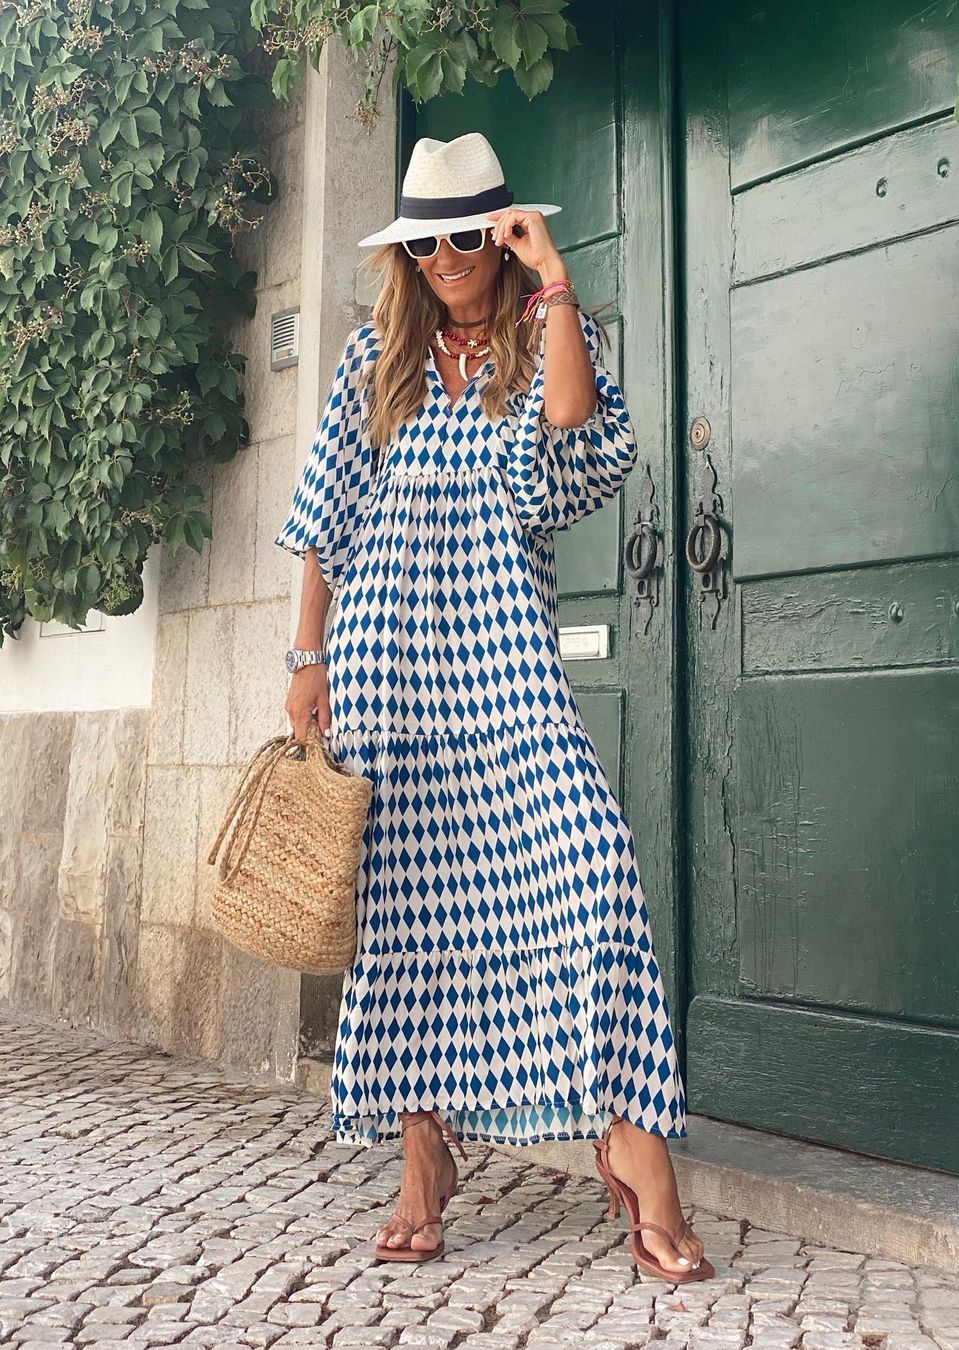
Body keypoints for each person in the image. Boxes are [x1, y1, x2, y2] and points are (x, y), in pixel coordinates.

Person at [275, 131, 712, 1283]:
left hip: (509, 672)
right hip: (387, 671)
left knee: (593, 875)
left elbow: (575, 431)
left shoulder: (549, 335)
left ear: (504, 233)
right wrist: (305, 653)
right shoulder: (377, 359)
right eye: (427, 241)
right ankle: (426, 1165)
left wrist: (553, 276)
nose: (447, 257)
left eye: (469, 232)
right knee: (409, 929)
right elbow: (323, 518)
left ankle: (638, 1149)